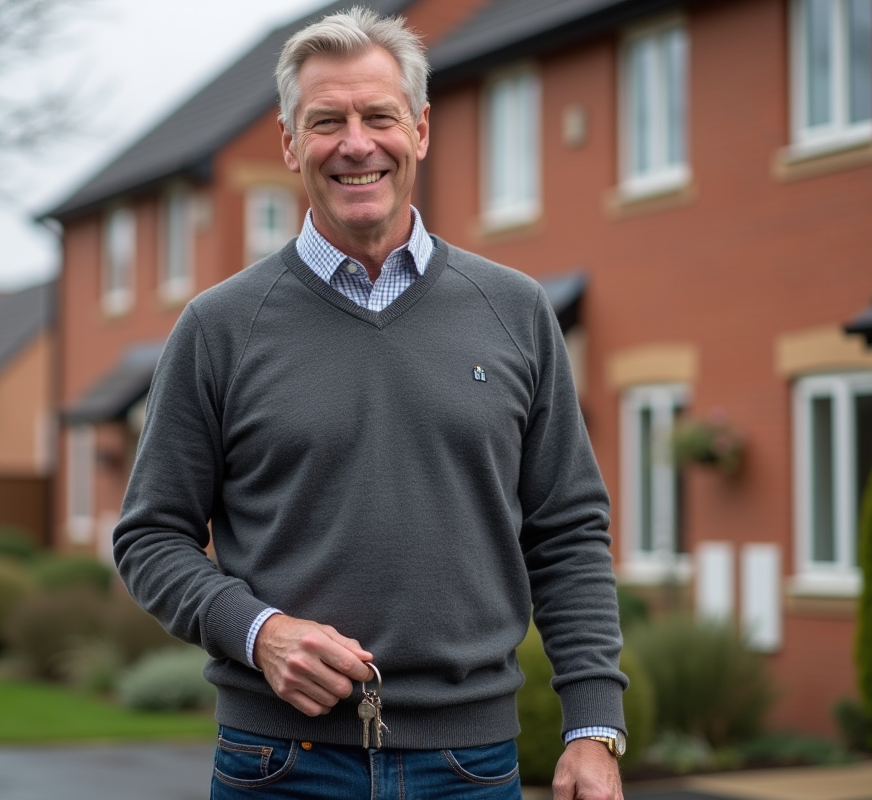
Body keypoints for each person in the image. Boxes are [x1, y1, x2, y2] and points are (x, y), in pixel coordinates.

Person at [113, 7, 627, 799]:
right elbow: (151, 535)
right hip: (277, 767)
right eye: (326, 121)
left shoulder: (516, 312)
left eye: (378, 116)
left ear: (419, 130)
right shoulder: (219, 327)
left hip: (471, 767)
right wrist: (259, 633)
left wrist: (593, 727)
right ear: (290, 143)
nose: (356, 143)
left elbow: (567, 533)